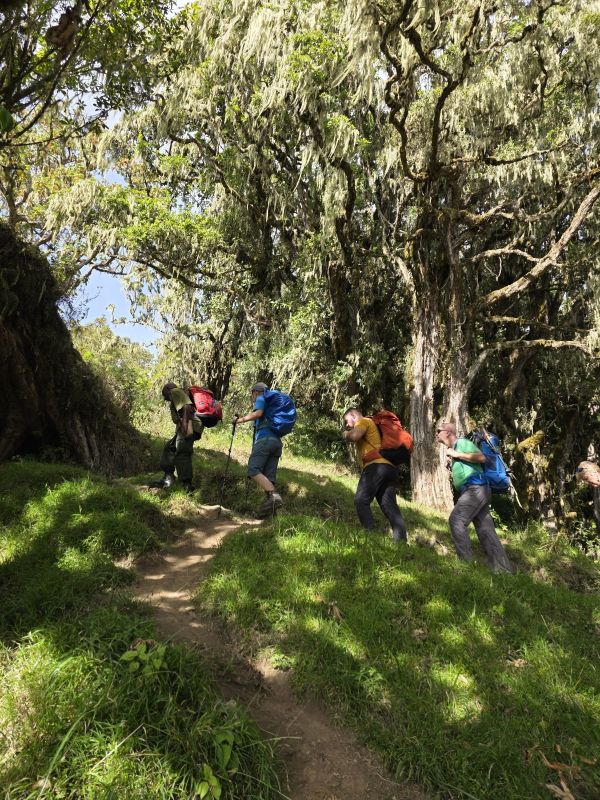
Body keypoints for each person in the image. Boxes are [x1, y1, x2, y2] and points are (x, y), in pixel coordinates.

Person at [435, 421, 512, 573]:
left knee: (456, 520)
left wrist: (457, 454)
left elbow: (482, 458)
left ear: (448, 432)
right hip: (477, 490)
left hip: (475, 488)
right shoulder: (455, 448)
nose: (436, 433)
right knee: (486, 530)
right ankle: (503, 570)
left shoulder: (462, 443)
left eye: (439, 431)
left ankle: (466, 566)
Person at [342, 408, 407, 542]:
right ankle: (401, 542)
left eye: (347, 421)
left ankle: (371, 537)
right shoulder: (373, 424)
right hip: (389, 468)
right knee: (389, 505)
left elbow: (354, 436)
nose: (347, 425)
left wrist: (345, 434)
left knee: (361, 500)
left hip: (376, 466)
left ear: (353, 415)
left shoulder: (363, 421)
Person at [233, 382, 284, 518]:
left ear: (255, 392)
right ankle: (270, 516)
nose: (253, 397)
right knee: (269, 478)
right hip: (276, 443)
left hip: (265, 440)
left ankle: (275, 497)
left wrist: (239, 420)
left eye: (252, 395)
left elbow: (258, 413)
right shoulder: (273, 405)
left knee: (253, 469)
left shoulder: (261, 398)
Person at [149, 383, 203, 493]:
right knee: (169, 448)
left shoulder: (175, 391)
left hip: (188, 427)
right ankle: (169, 477)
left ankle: (186, 485)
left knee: (182, 453)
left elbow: (186, 407)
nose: (165, 398)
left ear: (168, 389)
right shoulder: (179, 393)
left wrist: (185, 426)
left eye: (164, 394)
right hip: (189, 427)